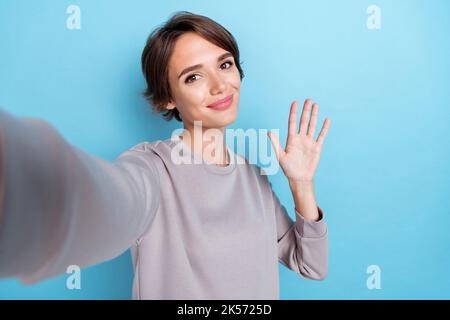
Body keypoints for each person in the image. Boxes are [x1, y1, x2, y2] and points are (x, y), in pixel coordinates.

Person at [0, 11, 331, 299]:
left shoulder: (253, 178)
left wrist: (301, 184)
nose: (219, 86)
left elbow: (311, 265)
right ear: (167, 99)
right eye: (194, 76)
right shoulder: (151, 169)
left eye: (225, 64)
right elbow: (103, 199)